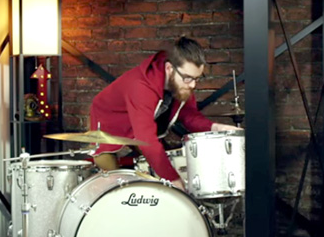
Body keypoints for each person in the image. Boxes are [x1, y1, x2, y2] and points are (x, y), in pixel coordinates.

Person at [89, 36, 239, 190]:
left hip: (139, 121)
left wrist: (215, 127)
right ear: (169, 68)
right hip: (108, 119)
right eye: (188, 78)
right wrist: (173, 179)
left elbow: (188, 115)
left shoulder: (181, 82)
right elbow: (147, 141)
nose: (193, 85)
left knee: (157, 165)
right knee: (115, 183)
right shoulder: (141, 87)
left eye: (197, 78)